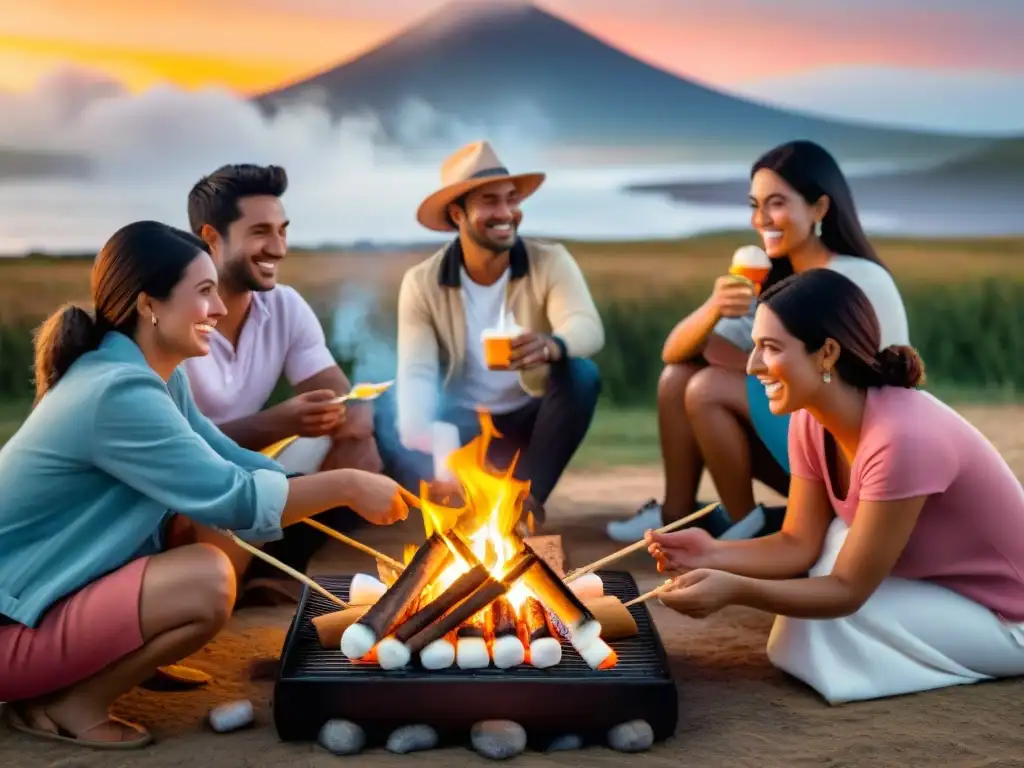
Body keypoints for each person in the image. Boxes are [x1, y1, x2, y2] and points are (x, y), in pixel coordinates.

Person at [0, 221, 411, 749]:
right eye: (204, 292)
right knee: (208, 579)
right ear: (150, 305)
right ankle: (68, 703)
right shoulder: (118, 393)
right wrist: (349, 484)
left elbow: (230, 457)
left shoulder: (155, 376)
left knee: (198, 542)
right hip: (12, 626)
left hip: (43, 604)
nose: (219, 308)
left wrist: (327, 484)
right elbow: (235, 500)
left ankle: (115, 661)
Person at [645, 268, 1024, 705]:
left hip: (1003, 615)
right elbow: (796, 541)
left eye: (770, 348)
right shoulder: (810, 418)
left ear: (826, 353)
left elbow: (847, 590)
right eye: (755, 347)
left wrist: (736, 589)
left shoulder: (902, 439)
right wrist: (711, 551)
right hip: (929, 576)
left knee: (823, 619)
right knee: (818, 577)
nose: (752, 366)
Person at [608, 140, 910, 543]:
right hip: (806, 438)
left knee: (706, 387)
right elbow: (676, 352)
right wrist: (714, 308)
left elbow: (855, 387)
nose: (761, 218)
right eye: (754, 204)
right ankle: (675, 513)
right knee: (678, 377)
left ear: (820, 208)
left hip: (855, 453)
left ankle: (745, 525)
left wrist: (744, 365)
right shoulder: (776, 281)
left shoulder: (855, 278)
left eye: (776, 203)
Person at [184, 164, 385, 603]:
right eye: (260, 232)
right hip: (188, 484)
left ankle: (281, 568)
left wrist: (358, 413)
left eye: (282, 230)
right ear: (211, 238)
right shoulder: (176, 316)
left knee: (361, 443)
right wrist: (276, 423)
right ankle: (216, 577)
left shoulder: (284, 305)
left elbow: (335, 387)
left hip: (252, 468)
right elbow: (172, 449)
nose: (278, 247)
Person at [379, 141, 604, 522]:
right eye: (489, 201)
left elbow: (587, 327)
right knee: (384, 408)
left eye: (512, 200)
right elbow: (417, 375)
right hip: (460, 424)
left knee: (581, 374)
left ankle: (526, 507)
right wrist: (436, 446)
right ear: (457, 214)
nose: (507, 213)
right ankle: (441, 502)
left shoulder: (549, 261)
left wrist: (552, 345)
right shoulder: (421, 282)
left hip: (528, 420)